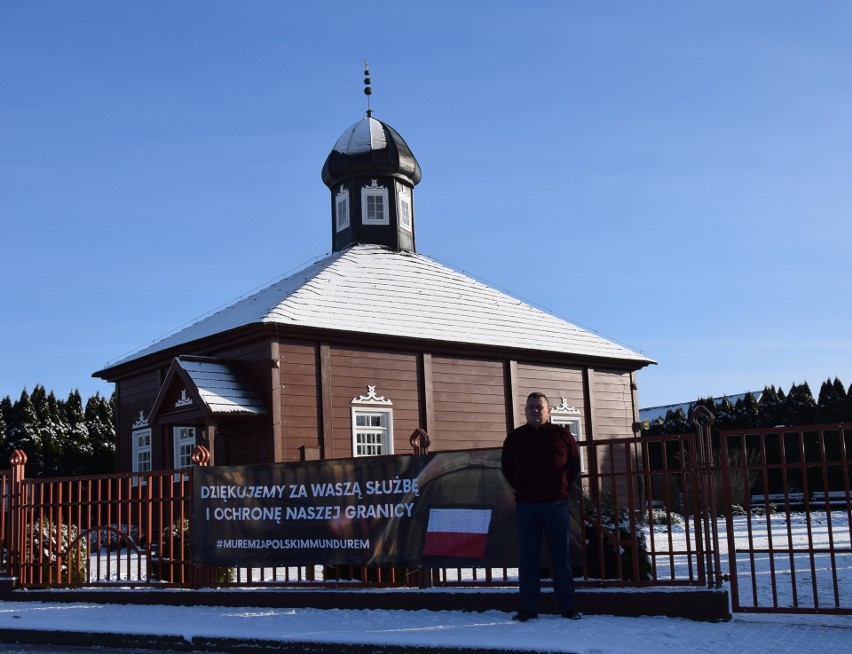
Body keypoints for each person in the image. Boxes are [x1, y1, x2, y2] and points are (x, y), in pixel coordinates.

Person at [501, 391, 582, 621]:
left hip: (556, 505)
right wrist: (524, 488)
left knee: (561, 559)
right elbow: (507, 469)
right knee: (528, 559)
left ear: (548, 411)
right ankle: (528, 609)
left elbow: (574, 466)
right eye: (531, 407)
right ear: (525, 411)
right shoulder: (515, 438)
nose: (535, 410)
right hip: (526, 506)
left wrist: (560, 487)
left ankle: (567, 607)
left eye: (539, 407)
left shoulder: (563, 436)